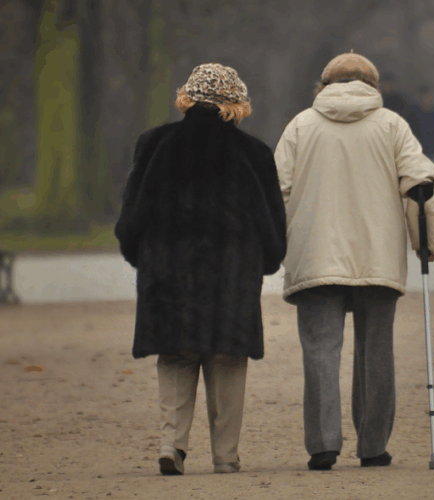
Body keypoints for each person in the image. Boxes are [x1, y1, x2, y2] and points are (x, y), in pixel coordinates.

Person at [274, 52, 434, 471]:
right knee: (376, 349)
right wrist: (425, 242)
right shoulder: (393, 126)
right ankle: (373, 445)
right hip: (377, 255)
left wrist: (274, 246)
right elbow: (420, 188)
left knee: (320, 350)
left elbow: (277, 191)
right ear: (373, 86)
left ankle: (323, 444)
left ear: (323, 85)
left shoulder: (300, 125)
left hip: (315, 254)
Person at [114, 63, 287, 476]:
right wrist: (267, 261)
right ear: (236, 104)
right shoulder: (254, 153)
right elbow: (271, 224)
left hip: (167, 274)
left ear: (187, 98)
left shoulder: (153, 144)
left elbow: (131, 219)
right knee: (227, 359)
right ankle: (225, 456)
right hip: (232, 275)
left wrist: (142, 257)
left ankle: (171, 444)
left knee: (176, 356)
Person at [408, 85, 434, 160]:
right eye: (423, 97)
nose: (425, 99)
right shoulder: (414, 114)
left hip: (432, 148)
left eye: (427, 97)